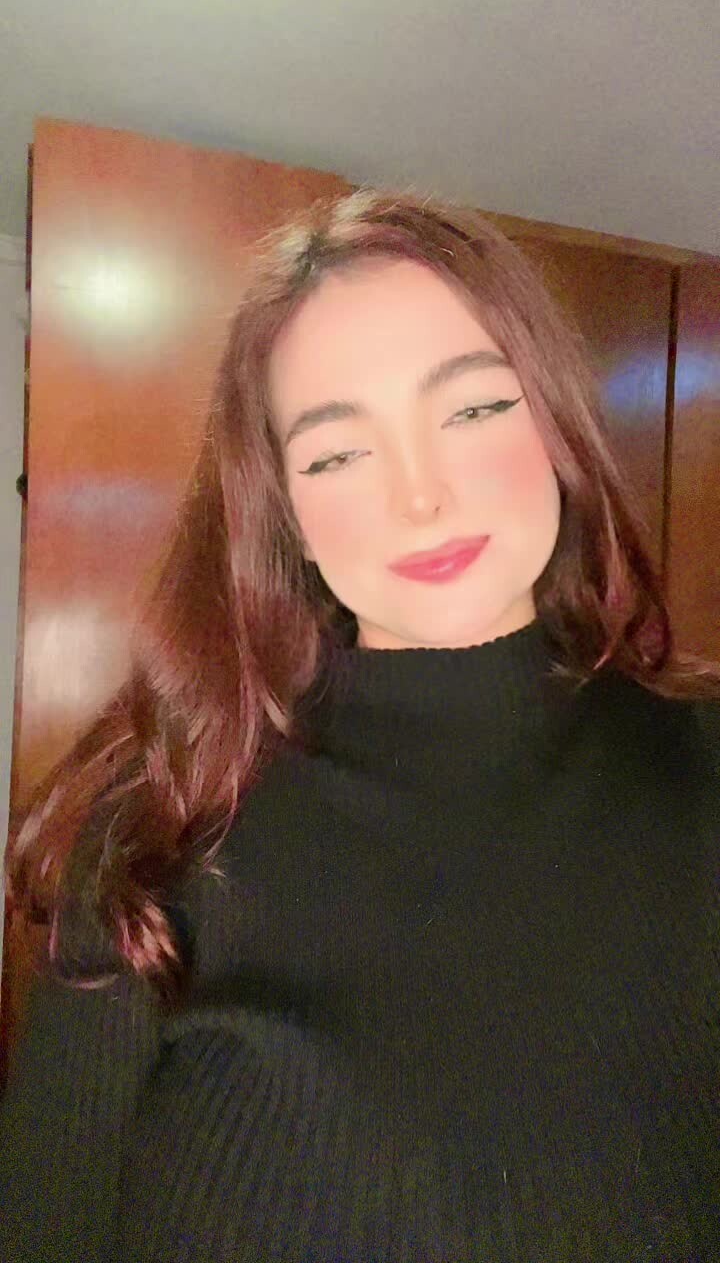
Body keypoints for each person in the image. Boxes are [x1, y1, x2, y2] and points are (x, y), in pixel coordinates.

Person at [0, 188, 718, 1262]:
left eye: (473, 410)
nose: (419, 496)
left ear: (557, 425)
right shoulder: (158, 835)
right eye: (338, 454)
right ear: (287, 512)